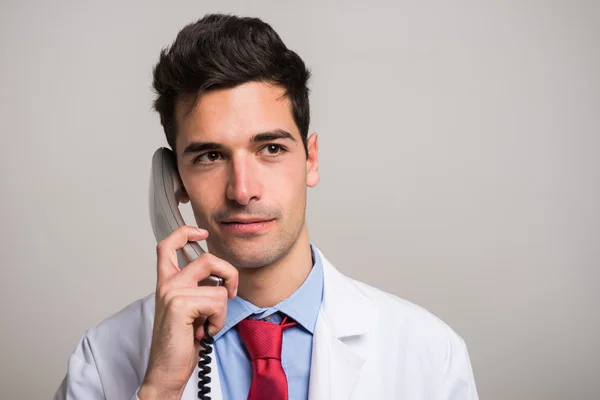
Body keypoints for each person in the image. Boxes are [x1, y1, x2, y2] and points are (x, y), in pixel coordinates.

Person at [53, 13, 479, 400]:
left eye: (271, 148)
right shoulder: (104, 356)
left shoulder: (430, 353)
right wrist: (161, 386)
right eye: (210, 156)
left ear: (311, 160)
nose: (242, 191)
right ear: (174, 181)